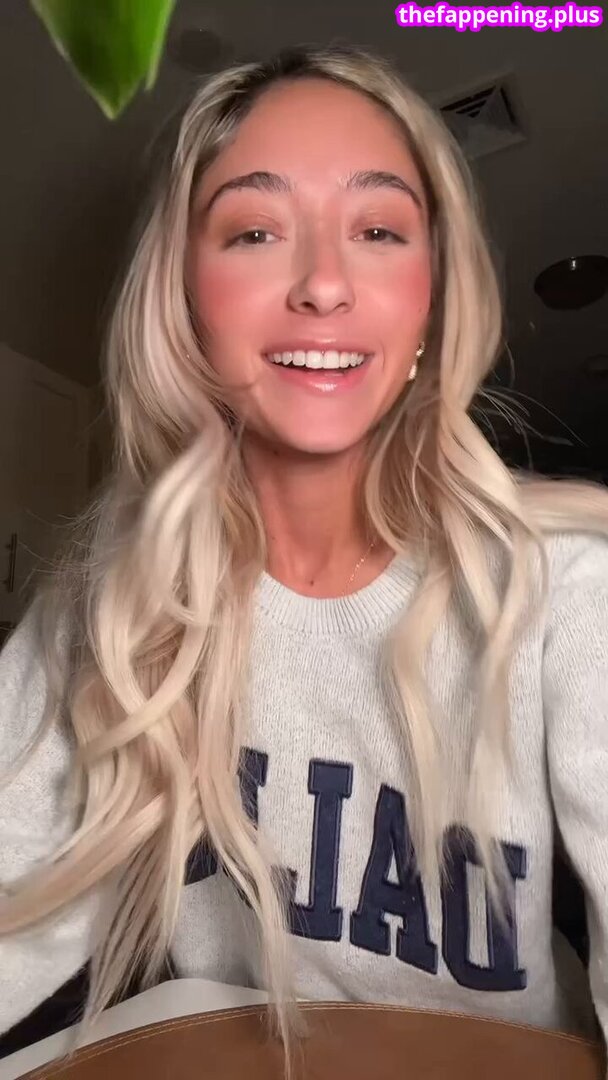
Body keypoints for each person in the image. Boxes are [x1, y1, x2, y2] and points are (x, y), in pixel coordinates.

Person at [1, 43, 608, 1069]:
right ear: (184, 300)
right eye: (253, 231)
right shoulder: (115, 594)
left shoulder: (568, 583)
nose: (323, 284)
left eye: (378, 231)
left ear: (431, 296)